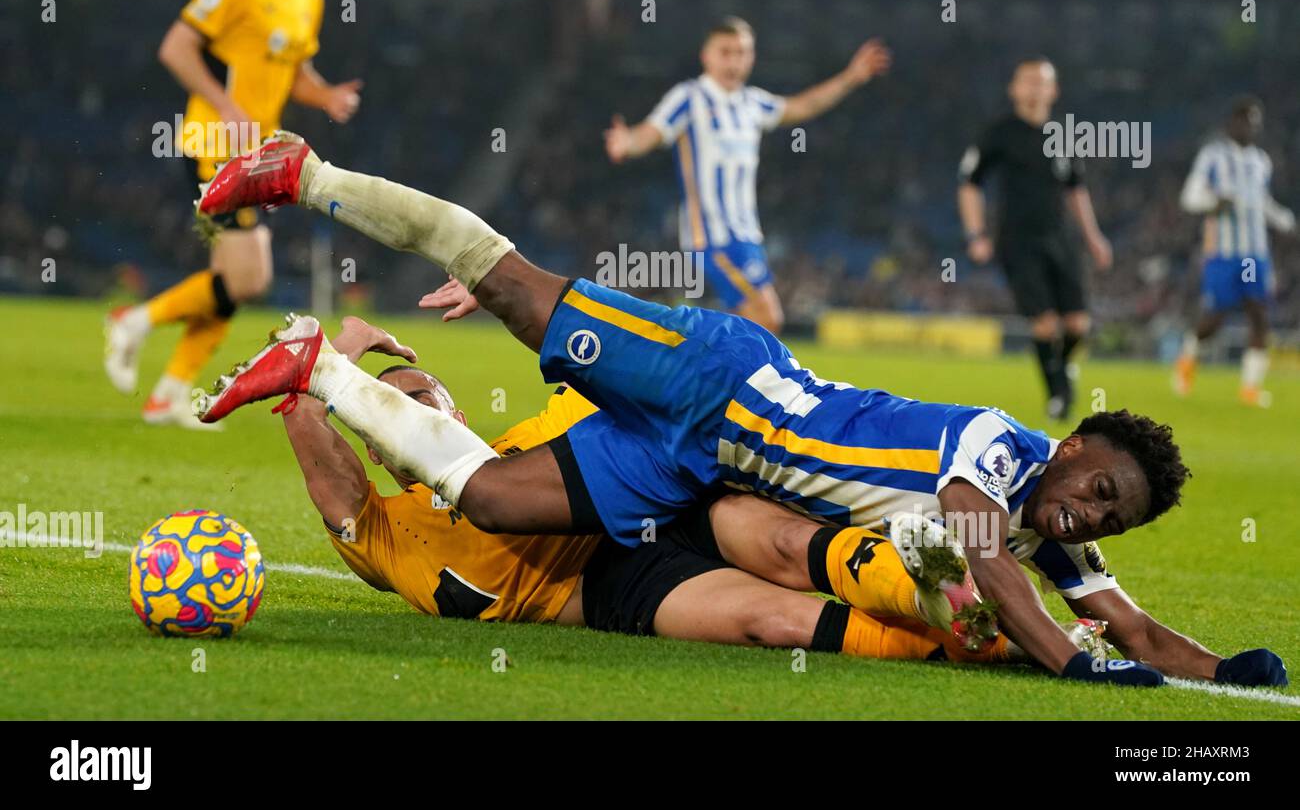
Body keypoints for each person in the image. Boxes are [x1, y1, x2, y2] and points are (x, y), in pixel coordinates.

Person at [194, 132, 1286, 690]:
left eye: (1110, 520)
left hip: (687, 468)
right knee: (511, 283)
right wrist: (1076, 663)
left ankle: (314, 374)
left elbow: (1130, 623)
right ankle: (308, 173)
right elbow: (983, 558)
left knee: (486, 499)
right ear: (1078, 445)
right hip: (719, 382)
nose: (1090, 518)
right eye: (1099, 490)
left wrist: (1216, 669)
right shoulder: (1000, 455)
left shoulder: (1042, 523)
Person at [282, 316, 1043, 663]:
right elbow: (316, 443)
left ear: (458, 411)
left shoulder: (534, 443)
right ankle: (974, 638)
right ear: (378, 451)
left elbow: (623, 353)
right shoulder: (386, 533)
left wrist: (511, 300)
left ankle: (942, 592)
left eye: (424, 398)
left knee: (776, 539)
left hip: (668, 514)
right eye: (392, 413)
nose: (414, 411)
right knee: (772, 622)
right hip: (611, 583)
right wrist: (337, 351)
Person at [103, 0, 362, 428]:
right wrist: (224, 106)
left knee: (233, 283)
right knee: (248, 278)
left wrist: (326, 94)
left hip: (258, 154)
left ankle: (168, 393)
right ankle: (133, 321)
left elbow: (294, 73)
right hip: (216, 146)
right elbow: (175, 47)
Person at [604, 16, 891, 332]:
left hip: (747, 236)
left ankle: (697, 368)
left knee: (749, 328)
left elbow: (803, 106)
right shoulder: (690, 97)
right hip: (712, 238)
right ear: (706, 56)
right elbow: (652, 131)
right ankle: (684, 366)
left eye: (741, 52)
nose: (734, 61)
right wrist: (627, 142)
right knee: (766, 319)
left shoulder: (752, 103)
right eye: (725, 52)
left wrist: (851, 76)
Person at [957, 57, 1112, 420]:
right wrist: (976, 233)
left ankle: (1062, 369)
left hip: (1061, 239)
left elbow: (1076, 190)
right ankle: (1058, 394)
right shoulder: (998, 133)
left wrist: (1093, 237)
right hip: (1018, 241)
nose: (1033, 88)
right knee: (1044, 323)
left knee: (1078, 324)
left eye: (1041, 82)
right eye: (1026, 81)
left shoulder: (1063, 136)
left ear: (1053, 90)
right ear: (1013, 89)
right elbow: (969, 184)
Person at [1173, 96, 1296, 407]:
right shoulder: (1213, 155)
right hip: (1224, 253)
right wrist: (1214, 202)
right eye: (1245, 120)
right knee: (1215, 317)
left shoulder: (1261, 161)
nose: (1251, 127)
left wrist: (1284, 220)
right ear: (1232, 123)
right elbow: (1190, 196)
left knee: (1258, 312)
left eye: (1256, 122)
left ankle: (1250, 388)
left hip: (1253, 255)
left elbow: (1262, 202)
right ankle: (1188, 359)